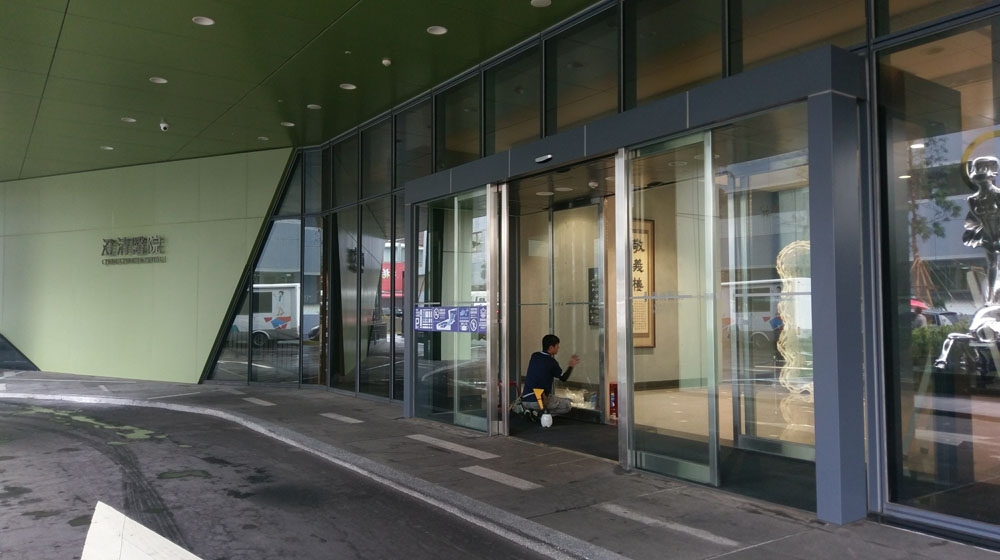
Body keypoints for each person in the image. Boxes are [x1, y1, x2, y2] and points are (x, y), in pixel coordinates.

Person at [520, 334, 580, 416]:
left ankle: (532, 411)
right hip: (538, 401)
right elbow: (563, 378)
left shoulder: (534, 356)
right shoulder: (551, 362)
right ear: (551, 347)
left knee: (555, 398)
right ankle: (540, 414)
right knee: (567, 405)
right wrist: (571, 365)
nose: (558, 348)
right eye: (557, 346)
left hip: (525, 399)